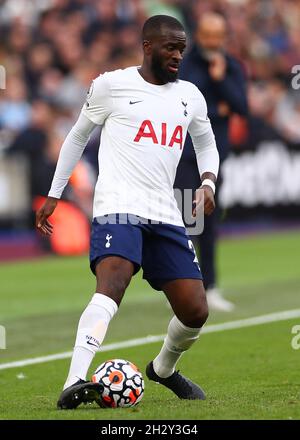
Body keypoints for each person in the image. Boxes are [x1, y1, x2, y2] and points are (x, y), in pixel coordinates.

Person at [36, 14, 219, 409]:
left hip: (165, 212)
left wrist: (208, 182)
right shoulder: (111, 85)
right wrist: (55, 191)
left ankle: (164, 370)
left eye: (182, 49)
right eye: (171, 47)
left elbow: (206, 142)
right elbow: (77, 136)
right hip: (118, 205)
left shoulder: (190, 94)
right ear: (148, 46)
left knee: (195, 310)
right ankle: (74, 380)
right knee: (113, 282)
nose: (177, 55)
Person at [175, 12, 248, 312]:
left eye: (218, 36)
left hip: (215, 158)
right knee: (186, 223)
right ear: (199, 35)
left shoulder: (230, 66)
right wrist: (219, 107)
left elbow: (242, 106)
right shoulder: (186, 63)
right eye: (208, 36)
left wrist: (220, 82)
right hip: (185, 155)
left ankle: (211, 286)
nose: (213, 42)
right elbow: (190, 107)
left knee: (209, 223)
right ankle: (182, 287)